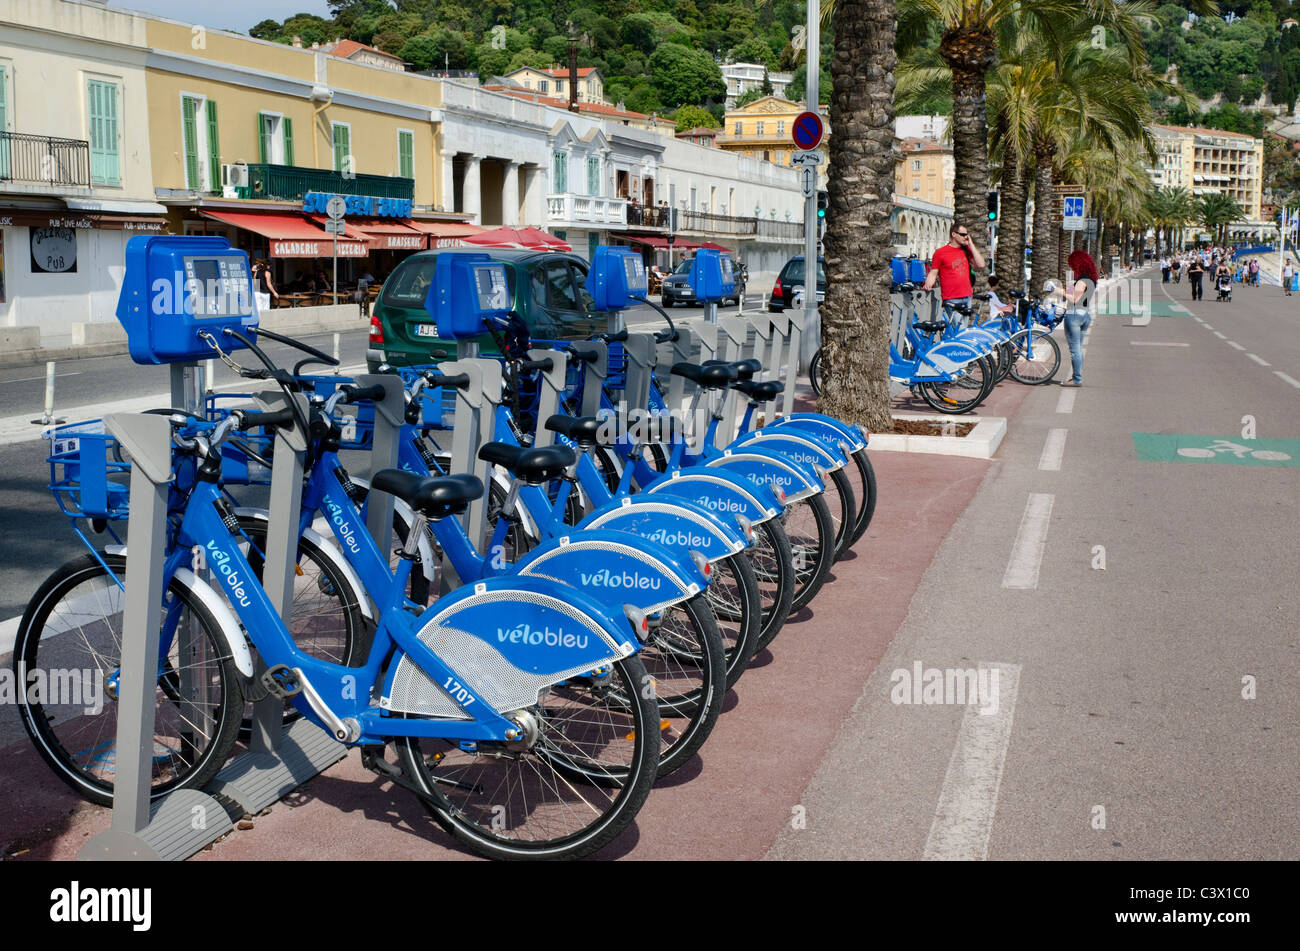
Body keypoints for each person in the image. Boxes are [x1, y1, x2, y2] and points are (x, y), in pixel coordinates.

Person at [923, 222, 986, 324]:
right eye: (963, 235)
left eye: (967, 235)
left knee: (962, 330)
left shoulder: (966, 250)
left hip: (967, 296)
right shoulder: (940, 253)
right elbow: (933, 272)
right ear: (954, 234)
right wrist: (928, 284)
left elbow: (981, 264)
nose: (965, 237)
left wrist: (971, 244)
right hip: (951, 298)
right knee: (959, 330)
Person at [1054, 248, 1098, 387]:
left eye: (1072, 265)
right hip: (1085, 315)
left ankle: (1076, 379)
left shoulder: (1082, 280)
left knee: (1075, 350)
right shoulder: (1091, 280)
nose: (1071, 268)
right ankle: (1077, 377)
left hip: (1074, 315)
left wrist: (1057, 290)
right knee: (1078, 348)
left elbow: (1074, 298)